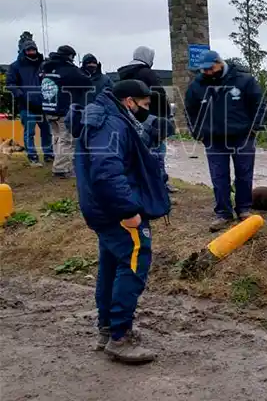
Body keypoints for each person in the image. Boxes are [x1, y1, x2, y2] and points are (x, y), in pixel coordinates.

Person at [66, 79, 170, 364]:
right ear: (129, 102)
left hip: (102, 209)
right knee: (136, 261)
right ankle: (120, 337)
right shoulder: (111, 124)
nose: (145, 111)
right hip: (115, 211)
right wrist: (128, 210)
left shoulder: (106, 117)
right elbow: (107, 172)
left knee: (111, 265)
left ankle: (108, 329)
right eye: (144, 106)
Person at [185, 51, 267, 232]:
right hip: (214, 139)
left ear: (219, 63)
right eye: (203, 70)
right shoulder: (197, 86)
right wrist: (198, 132)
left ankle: (244, 209)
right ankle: (223, 213)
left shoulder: (243, 80)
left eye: (210, 68)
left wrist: (254, 128)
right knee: (219, 176)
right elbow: (190, 110)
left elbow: (259, 104)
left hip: (242, 136)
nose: (206, 72)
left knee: (244, 173)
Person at [117, 46, 174, 191]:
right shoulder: (147, 73)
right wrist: (165, 116)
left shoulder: (125, 74)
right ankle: (160, 183)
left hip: (132, 117)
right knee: (157, 151)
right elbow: (159, 95)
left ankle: (143, 181)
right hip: (152, 118)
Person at [40, 45, 94, 178]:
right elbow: (87, 83)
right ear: (70, 56)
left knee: (56, 137)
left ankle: (58, 164)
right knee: (66, 139)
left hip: (48, 107)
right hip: (63, 109)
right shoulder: (68, 70)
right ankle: (62, 169)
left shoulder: (46, 68)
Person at [6, 39, 54, 166]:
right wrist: (21, 96)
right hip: (26, 105)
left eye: (33, 49)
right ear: (24, 51)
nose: (31, 52)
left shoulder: (43, 65)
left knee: (47, 131)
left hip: (43, 104)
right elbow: (10, 84)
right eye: (29, 50)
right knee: (30, 132)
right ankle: (32, 157)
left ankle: (49, 154)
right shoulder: (15, 66)